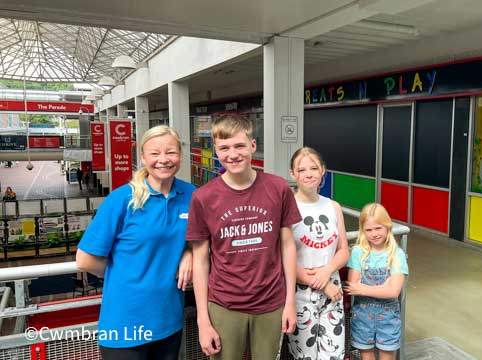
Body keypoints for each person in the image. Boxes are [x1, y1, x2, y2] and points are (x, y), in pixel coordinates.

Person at [186, 114, 301, 360]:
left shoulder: (278, 188)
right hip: (223, 304)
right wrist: (203, 320)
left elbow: (288, 246)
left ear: (253, 146)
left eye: (239, 146)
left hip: (271, 302)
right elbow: (200, 260)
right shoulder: (203, 197)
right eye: (224, 148)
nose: (233, 154)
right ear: (215, 150)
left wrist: (290, 301)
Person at [76, 125, 195, 360]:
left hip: (168, 319)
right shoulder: (122, 199)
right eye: (155, 153)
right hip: (125, 323)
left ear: (180, 155)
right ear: (142, 157)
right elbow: (85, 259)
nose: (163, 160)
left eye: (170, 152)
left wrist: (189, 252)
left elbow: (202, 239)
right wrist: (122, 271)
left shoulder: (191, 195)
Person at [287, 147, 349, 360]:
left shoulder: (333, 207)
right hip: (300, 291)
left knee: (333, 354)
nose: (309, 173)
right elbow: (284, 259)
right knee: (305, 355)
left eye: (314, 168)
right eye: (302, 169)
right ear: (292, 174)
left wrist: (328, 271)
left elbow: (343, 250)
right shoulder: (287, 208)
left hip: (333, 291)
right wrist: (322, 282)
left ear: (323, 170)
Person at [344, 203, 409, 360]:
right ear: (363, 231)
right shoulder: (358, 252)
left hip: (388, 319)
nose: (374, 234)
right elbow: (352, 287)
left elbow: (393, 291)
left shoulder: (396, 254)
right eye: (369, 230)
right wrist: (382, 288)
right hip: (362, 318)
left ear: (387, 226)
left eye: (378, 228)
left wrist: (363, 288)